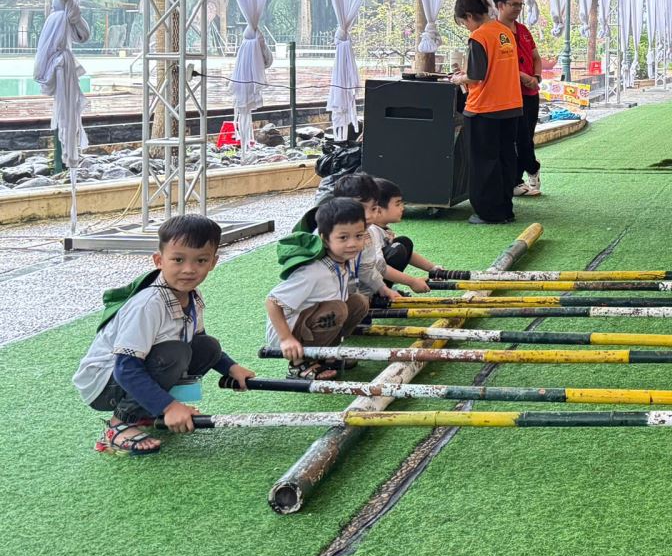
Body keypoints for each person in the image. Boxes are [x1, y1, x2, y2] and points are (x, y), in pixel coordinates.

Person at [75, 215, 254, 455]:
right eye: (178, 260)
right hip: (105, 383)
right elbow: (125, 367)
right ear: (159, 260)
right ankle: (118, 425)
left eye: (201, 260)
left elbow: (198, 341)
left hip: (134, 370)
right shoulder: (148, 304)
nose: (189, 269)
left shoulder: (192, 296)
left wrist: (231, 368)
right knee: (174, 353)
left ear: (213, 262)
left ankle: (145, 411)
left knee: (207, 346)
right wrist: (169, 406)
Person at [265, 197, 372, 381]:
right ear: (324, 239)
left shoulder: (342, 263)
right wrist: (286, 339)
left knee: (359, 302)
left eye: (359, 236)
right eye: (343, 237)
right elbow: (272, 302)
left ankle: (326, 354)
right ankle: (299, 364)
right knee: (338, 308)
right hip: (289, 332)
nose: (352, 243)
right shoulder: (313, 271)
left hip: (313, 322)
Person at [449, 0, 522, 225]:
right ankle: (505, 210)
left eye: (464, 23)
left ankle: (488, 212)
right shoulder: (505, 32)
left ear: (469, 16)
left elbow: (476, 75)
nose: (466, 27)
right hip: (510, 106)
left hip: (484, 109)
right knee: (505, 159)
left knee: (483, 163)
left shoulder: (479, 36)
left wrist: (459, 78)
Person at [329, 173, 435, 300]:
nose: (369, 215)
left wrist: (383, 289)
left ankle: (374, 296)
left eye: (373, 209)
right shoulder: (334, 232)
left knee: (403, 243)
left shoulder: (366, 233)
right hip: (331, 294)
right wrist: (412, 282)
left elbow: (369, 268)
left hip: (355, 291)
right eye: (361, 208)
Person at [493, 0, 543, 199]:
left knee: (526, 137)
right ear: (500, 5)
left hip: (530, 93)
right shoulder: (494, 32)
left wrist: (536, 77)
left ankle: (531, 167)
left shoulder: (523, 31)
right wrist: (523, 77)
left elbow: (536, 57)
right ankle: (517, 179)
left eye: (520, 5)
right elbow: (500, 64)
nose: (518, 8)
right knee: (514, 139)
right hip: (509, 94)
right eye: (513, 4)